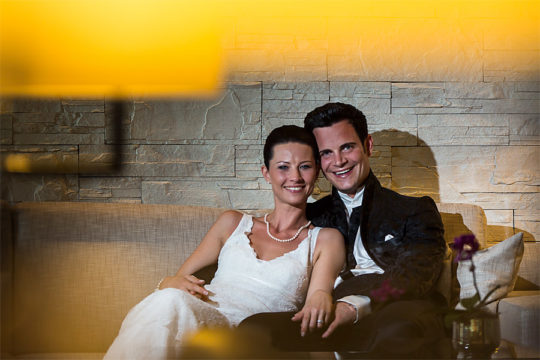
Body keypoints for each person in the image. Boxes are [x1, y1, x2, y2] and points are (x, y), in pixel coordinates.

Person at [103, 125, 345, 360]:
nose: (294, 177)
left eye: (304, 167)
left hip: (251, 336)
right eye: (283, 167)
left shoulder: (325, 239)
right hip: (198, 316)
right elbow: (178, 282)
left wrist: (323, 296)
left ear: (317, 172)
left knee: (170, 304)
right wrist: (167, 282)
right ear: (266, 173)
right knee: (168, 301)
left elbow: (317, 300)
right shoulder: (232, 223)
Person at [241, 103, 448, 356]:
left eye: (347, 147)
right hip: (325, 316)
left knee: (401, 326)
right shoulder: (313, 216)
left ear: (368, 146)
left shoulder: (414, 209)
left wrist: (353, 306)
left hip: (395, 311)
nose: (338, 161)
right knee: (255, 328)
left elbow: (418, 273)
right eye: (326, 153)